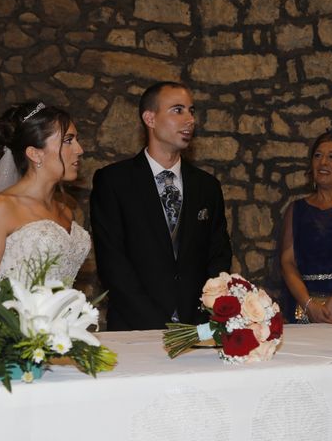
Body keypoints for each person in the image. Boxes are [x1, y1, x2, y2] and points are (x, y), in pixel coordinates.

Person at [90, 81, 232, 331]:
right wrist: (158, 326)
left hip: (196, 327)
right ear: (150, 118)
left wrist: (202, 318)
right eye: (178, 110)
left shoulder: (207, 186)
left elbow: (218, 256)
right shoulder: (114, 181)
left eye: (192, 111)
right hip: (134, 328)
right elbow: (113, 263)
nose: (189, 120)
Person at [0, 101, 90, 294]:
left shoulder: (66, 211)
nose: (80, 149)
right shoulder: (0, 209)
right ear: (35, 153)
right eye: (68, 140)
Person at [281, 117, 332, 324]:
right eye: (318, 156)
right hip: (304, 309)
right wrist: (308, 304)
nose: (323, 162)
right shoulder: (297, 209)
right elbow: (287, 262)